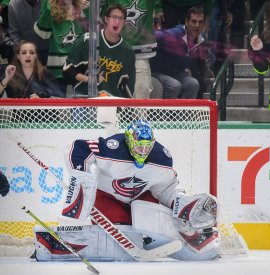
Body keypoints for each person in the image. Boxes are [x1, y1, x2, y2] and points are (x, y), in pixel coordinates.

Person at [34, 119, 219, 261]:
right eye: (139, 145)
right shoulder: (112, 148)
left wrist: (180, 202)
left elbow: (165, 189)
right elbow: (75, 148)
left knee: (162, 219)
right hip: (106, 196)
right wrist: (81, 178)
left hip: (139, 198)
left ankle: (194, 239)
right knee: (123, 231)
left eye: (147, 146)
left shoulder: (161, 158)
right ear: (129, 140)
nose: (142, 150)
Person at [63, 4, 136, 98]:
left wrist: (127, 111)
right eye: (114, 17)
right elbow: (67, 70)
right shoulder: (87, 41)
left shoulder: (128, 51)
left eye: (121, 18)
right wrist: (89, 79)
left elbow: (129, 86)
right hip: (85, 98)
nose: (117, 21)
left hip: (112, 103)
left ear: (124, 22)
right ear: (106, 19)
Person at [101, 1, 163, 99]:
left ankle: (139, 115)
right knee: (111, 94)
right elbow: (99, 16)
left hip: (140, 55)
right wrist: (86, 7)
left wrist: (158, 9)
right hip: (115, 54)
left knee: (141, 89)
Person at [150, 6, 209, 99]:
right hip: (156, 72)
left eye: (200, 22)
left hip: (176, 73)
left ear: (204, 24)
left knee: (193, 84)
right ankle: (165, 113)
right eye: (193, 21)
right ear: (186, 22)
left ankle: (185, 113)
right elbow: (156, 35)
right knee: (174, 85)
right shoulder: (176, 33)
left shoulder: (201, 41)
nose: (197, 25)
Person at [34, 0, 89, 96]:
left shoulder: (82, 7)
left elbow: (96, 29)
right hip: (58, 71)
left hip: (79, 69)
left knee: (80, 106)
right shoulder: (51, 9)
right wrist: (48, 7)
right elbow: (42, 33)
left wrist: (87, 9)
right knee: (59, 106)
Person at [8, 0, 49, 65]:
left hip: (47, 52)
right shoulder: (13, 4)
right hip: (25, 54)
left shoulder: (49, 3)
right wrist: (25, 53)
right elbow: (14, 33)